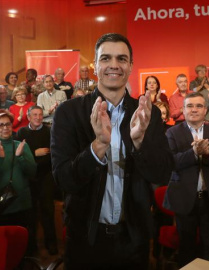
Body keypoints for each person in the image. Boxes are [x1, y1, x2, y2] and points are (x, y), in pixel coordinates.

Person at [50, 33, 173, 270]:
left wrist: (139, 143)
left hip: (134, 239)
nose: (114, 65)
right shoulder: (68, 113)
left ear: (130, 66)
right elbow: (64, 179)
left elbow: (162, 173)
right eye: (105, 58)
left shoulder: (149, 113)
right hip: (85, 239)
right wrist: (98, 146)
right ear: (95, 66)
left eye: (121, 59)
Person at [164, 92, 209, 268]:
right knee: (186, 247)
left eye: (198, 106)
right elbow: (169, 163)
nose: (194, 110)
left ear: (205, 110)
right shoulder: (171, 132)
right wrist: (194, 154)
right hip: (184, 199)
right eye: (189, 106)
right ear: (183, 110)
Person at [16, 105, 58, 255]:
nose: (38, 117)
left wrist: (32, 154)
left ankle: (51, 243)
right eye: (34, 114)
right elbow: (18, 154)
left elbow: (52, 154)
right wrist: (34, 152)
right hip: (28, 177)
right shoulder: (21, 132)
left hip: (46, 176)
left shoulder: (49, 131)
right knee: (30, 213)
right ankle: (31, 247)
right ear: (28, 116)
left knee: (48, 210)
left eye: (40, 114)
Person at [0, 109, 37, 254]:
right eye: (1, 125)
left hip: (22, 203)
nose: (5, 128)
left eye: (8, 124)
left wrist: (20, 156)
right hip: (3, 206)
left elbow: (32, 172)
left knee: (24, 246)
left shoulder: (21, 145)